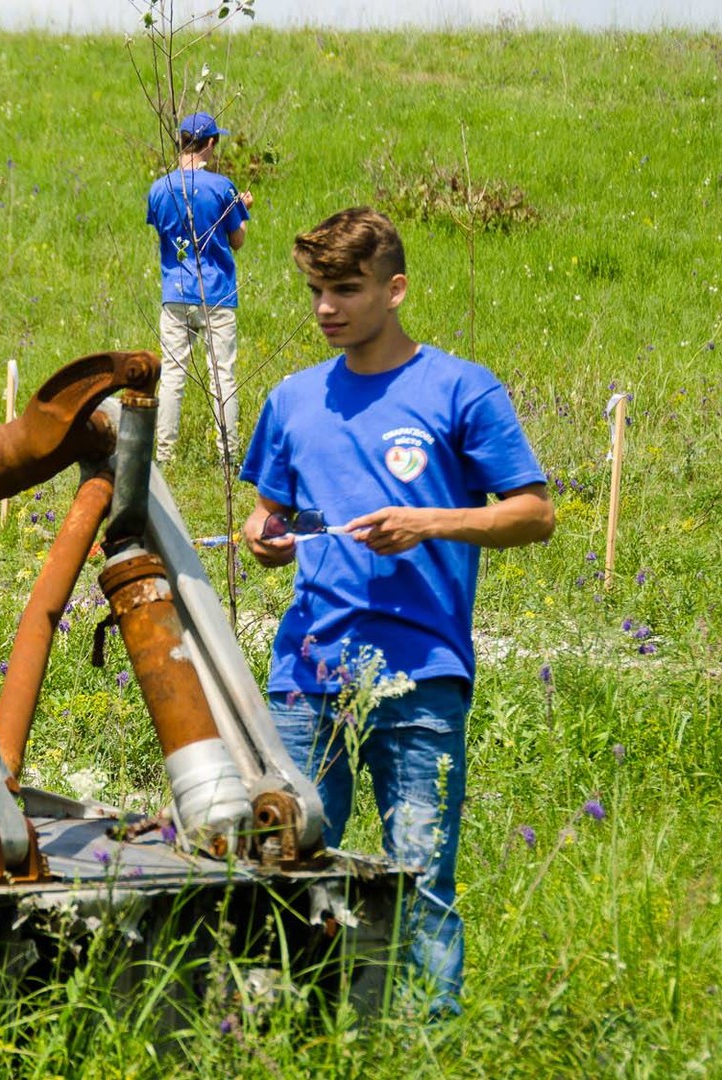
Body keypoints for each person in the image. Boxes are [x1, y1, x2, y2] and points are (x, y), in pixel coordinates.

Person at [239, 207, 554, 1017]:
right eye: (316, 290)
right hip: (307, 676)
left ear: (396, 289)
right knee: (284, 865)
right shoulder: (294, 399)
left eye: (346, 290)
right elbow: (270, 515)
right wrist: (265, 537)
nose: (325, 308)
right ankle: (293, 1031)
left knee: (420, 875)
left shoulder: (461, 388)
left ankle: (427, 1038)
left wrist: (429, 523)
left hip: (420, 675)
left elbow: (533, 514)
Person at [145, 112, 252, 464]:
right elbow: (236, 240)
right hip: (216, 292)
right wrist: (242, 209)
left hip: (175, 291)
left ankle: (165, 454)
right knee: (222, 375)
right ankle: (228, 455)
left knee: (173, 374)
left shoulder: (159, 189)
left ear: (180, 142)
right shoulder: (222, 188)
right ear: (210, 143)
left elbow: (164, 232)